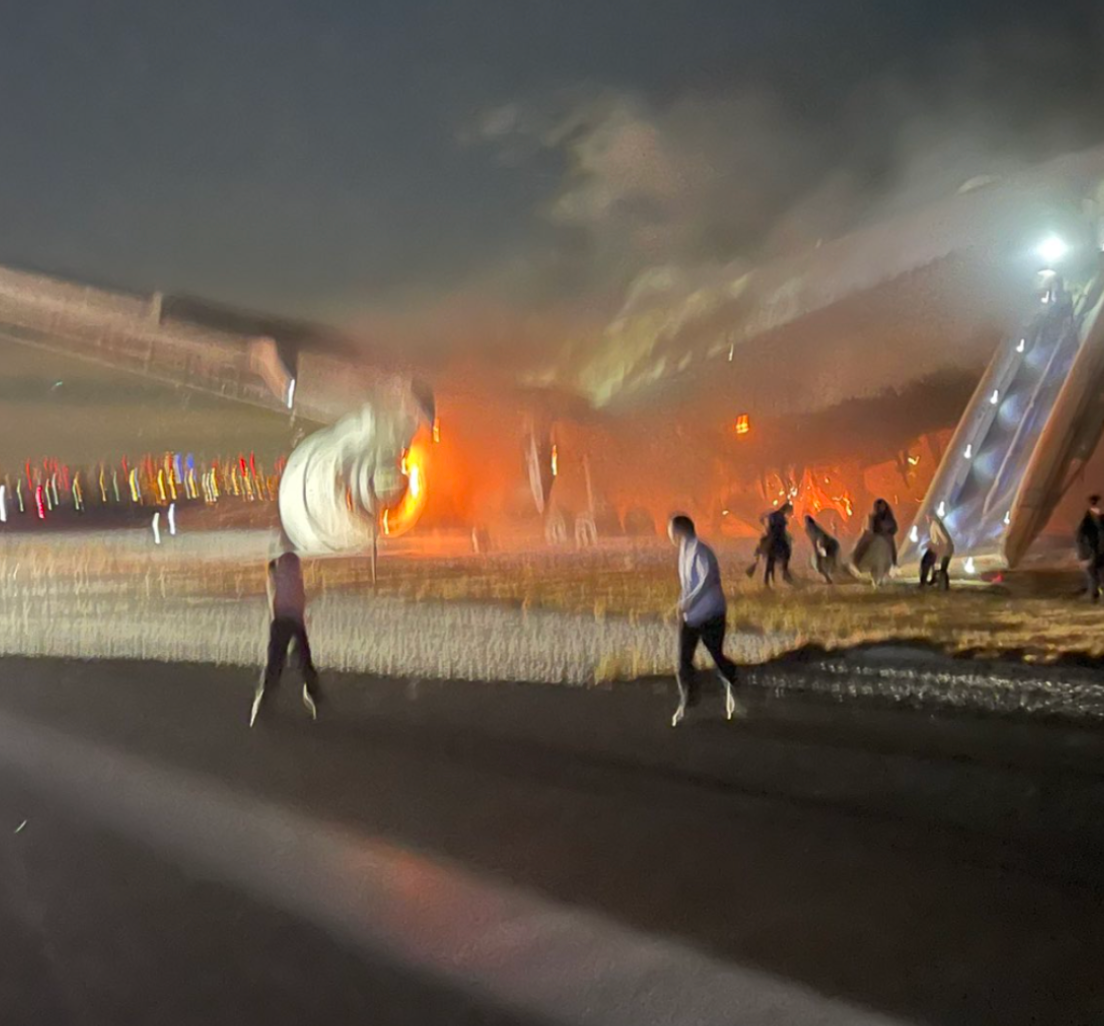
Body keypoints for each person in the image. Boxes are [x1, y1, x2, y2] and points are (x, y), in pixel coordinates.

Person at [668, 514, 746, 727]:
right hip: (691, 616)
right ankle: (688, 705)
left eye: (671, 531)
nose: (669, 536)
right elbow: (688, 583)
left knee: (716, 656)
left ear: (680, 531)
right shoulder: (684, 551)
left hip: (711, 613)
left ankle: (734, 686)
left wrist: (689, 601)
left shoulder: (701, 551)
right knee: (683, 661)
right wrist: (682, 604)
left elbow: (708, 579)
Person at [251, 550, 321, 726]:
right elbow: (295, 593)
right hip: (288, 619)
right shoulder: (286, 564)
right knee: (300, 662)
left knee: (282, 664)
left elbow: (286, 593)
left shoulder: (280, 566)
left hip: (286, 619)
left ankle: (264, 709)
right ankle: (315, 700)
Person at [851, 498, 898, 584]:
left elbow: (893, 531)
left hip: (886, 544)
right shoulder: (873, 518)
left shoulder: (889, 520)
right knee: (877, 563)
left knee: (883, 563)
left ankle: (880, 580)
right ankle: (877, 580)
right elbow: (870, 531)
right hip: (876, 543)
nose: (880, 509)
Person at [747, 503, 794, 586]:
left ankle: (768, 580)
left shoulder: (773, 515)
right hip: (777, 538)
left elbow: (762, 518)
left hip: (772, 537)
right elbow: (779, 529)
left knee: (770, 562)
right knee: (786, 552)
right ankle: (783, 572)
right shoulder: (780, 516)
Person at [1075, 495, 1104, 602]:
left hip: (1101, 554)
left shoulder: (1100, 520)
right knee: (1093, 579)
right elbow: (1080, 541)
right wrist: (1083, 557)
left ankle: (1097, 598)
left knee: (1099, 578)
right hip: (1091, 555)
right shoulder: (1085, 524)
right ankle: (1094, 599)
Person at [919, 513, 954, 590]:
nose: (926, 518)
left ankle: (925, 583)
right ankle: (933, 581)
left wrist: (940, 547)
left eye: (927, 516)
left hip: (942, 548)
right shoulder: (934, 524)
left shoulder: (935, 524)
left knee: (927, 563)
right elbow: (935, 539)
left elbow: (942, 538)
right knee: (935, 566)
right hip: (942, 548)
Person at [804, 514, 840, 584]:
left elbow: (821, 539)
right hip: (823, 548)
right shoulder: (808, 530)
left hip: (829, 546)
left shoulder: (816, 531)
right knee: (819, 566)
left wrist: (820, 548)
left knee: (830, 564)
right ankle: (829, 578)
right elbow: (814, 542)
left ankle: (835, 577)